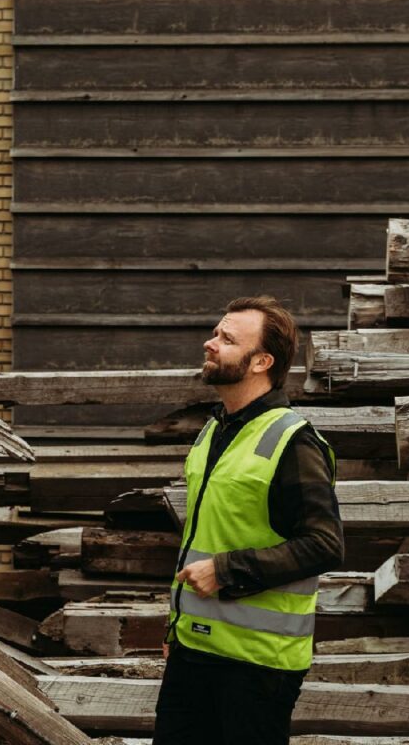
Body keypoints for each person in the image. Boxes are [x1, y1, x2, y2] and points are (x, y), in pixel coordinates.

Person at [153, 296, 344, 745]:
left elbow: (324, 544)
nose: (210, 343)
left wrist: (225, 570)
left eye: (226, 338)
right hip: (193, 651)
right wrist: (176, 627)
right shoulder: (215, 429)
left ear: (262, 361)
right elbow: (205, 534)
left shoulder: (294, 442)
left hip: (258, 666)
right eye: (215, 333)